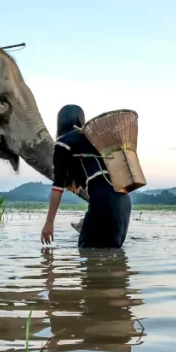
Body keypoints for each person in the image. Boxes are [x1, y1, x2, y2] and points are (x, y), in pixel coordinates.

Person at [41, 104, 132, 248]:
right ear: (81, 120)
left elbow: (58, 186)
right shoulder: (96, 140)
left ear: (61, 122)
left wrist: (49, 222)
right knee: (112, 254)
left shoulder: (63, 142)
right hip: (124, 202)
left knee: (87, 251)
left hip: (103, 200)